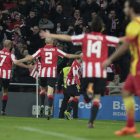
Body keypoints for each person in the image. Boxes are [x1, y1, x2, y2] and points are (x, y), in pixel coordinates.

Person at [40, 16, 121, 127]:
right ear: (102, 28)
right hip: (100, 72)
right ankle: (91, 121)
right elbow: (122, 41)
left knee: (85, 98)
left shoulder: (86, 37)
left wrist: (51, 35)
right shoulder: (105, 38)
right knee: (96, 98)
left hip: (88, 72)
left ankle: (87, 93)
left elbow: (68, 38)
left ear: (91, 27)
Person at [14, 37, 82, 120]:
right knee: (50, 92)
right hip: (52, 74)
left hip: (42, 73)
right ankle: (49, 107)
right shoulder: (56, 50)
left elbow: (30, 58)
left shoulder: (41, 50)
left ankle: (42, 105)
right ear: (53, 42)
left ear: (45, 42)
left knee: (42, 90)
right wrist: (78, 55)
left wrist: (19, 61)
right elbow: (68, 55)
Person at [102, 0, 140, 137]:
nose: (124, 9)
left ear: (131, 9)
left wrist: (110, 59)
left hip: (139, 65)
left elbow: (125, 46)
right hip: (135, 64)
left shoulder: (134, 24)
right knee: (126, 91)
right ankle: (130, 126)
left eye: (125, 7)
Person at [0, 40, 32, 115]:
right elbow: (16, 62)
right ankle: (3, 110)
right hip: (6, 75)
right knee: (5, 92)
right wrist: (27, 66)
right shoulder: (11, 55)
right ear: (10, 46)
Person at [64, 51, 82, 120]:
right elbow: (75, 76)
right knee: (77, 97)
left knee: (72, 98)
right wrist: (79, 84)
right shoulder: (75, 65)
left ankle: (67, 114)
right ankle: (68, 111)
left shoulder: (78, 63)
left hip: (70, 83)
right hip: (71, 83)